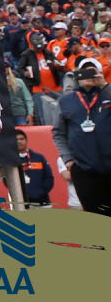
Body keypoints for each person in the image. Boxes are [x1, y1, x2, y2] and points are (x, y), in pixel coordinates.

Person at [52, 59, 111, 217]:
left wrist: (104, 84)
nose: (88, 75)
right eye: (84, 71)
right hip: (83, 169)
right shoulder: (66, 101)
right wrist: (68, 159)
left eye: (92, 71)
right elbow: (58, 132)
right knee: (94, 216)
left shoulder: (107, 95)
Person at [15, 130, 54, 205]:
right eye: (16, 140)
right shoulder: (11, 161)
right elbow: (8, 181)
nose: (19, 141)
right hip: (22, 204)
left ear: (26, 140)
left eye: (21, 139)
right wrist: (24, 194)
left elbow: (49, 178)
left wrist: (40, 192)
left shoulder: (39, 157)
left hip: (43, 203)